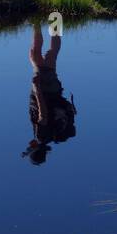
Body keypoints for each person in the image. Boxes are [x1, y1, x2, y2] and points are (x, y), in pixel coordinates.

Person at [23, 22, 76, 165]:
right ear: (34, 147)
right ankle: (37, 21)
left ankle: (55, 21)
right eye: (30, 147)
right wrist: (37, 88)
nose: (29, 144)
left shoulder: (51, 136)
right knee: (35, 54)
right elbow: (43, 114)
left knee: (51, 54)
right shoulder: (41, 135)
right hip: (45, 90)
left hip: (54, 91)